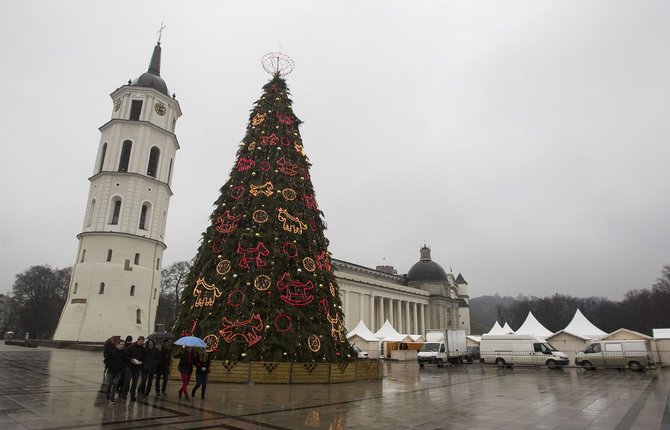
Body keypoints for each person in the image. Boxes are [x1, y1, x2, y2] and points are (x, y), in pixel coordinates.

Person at [122, 335, 146, 401]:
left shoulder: (143, 349)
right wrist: (132, 359)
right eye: (140, 341)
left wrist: (141, 362)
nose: (141, 343)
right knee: (127, 381)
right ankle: (124, 395)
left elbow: (143, 358)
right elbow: (126, 355)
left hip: (137, 367)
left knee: (135, 383)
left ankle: (133, 396)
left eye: (143, 342)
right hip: (129, 366)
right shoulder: (131, 347)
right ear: (137, 340)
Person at [105, 339, 126, 406]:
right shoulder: (112, 351)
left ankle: (112, 398)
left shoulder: (123, 352)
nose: (122, 346)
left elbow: (124, 361)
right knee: (109, 384)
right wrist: (110, 366)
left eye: (123, 344)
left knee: (115, 384)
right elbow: (106, 360)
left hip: (118, 371)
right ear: (117, 345)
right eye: (121, 344)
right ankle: (107, 396)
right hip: (111, 370)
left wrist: (122, 367)